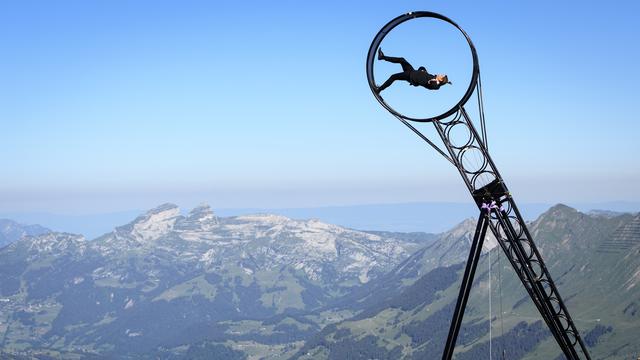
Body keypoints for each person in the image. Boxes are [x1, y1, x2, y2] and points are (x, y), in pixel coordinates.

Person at [376, 49, 451, 93]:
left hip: (411, 76)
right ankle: (382, 57)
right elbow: (424, 71)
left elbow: (431, 84)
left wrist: (439, 81)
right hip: (412, 71)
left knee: (393, 77)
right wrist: (422, 70)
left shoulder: (436, 85)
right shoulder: (433, 76)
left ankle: (379, 89)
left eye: (441, 75)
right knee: (401, 59)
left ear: (440, 79)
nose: (440, 74)